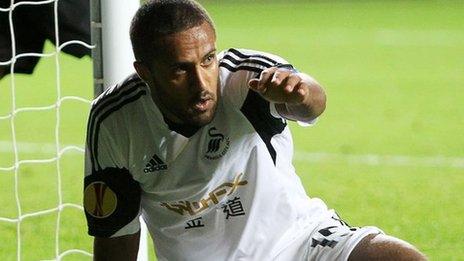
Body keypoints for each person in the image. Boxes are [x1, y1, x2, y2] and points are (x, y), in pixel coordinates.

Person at [83, 0, 427, 260]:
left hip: (299, 241)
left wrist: (300, 91)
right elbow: (116, 236)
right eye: (179, 70)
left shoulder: (243, 80)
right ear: (144, 71)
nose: (202, 83)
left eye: (207, 59)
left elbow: (312, 102)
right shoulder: (115, 120)